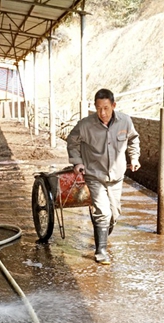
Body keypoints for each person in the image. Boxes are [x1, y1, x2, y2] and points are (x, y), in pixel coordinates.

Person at [66, 88, 141, 265]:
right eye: (99, 108)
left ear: (113, 105)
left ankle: (101, 235)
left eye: (106, 108)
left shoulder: (125, 121)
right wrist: (77, 162)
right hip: (94, 175)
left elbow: (133, 139)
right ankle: (101, 251)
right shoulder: (85, 125)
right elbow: (72, 141)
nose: (103, 113)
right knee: (103, 212)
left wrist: (134, 157)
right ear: (95, 107)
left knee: (114, 214)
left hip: (116, 176)